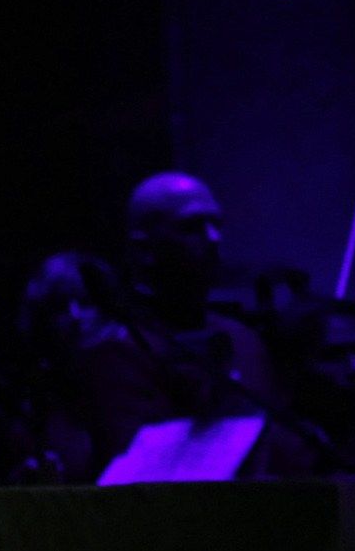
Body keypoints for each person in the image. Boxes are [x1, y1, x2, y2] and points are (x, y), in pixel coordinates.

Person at [70, 174, 301, 475]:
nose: (213, 238)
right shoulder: (116, 350)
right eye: (192, 227)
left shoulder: (243, 340)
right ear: (144, 250)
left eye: (217, 224)